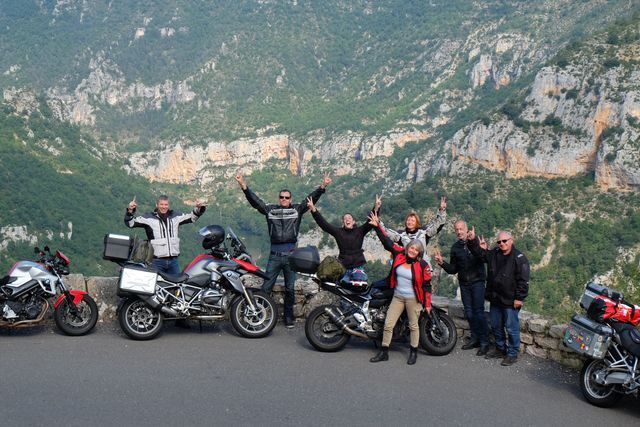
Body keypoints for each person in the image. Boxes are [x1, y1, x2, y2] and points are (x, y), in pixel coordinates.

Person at [235, 172, 331, 328]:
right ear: (278, 198)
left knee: (290, 289)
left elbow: (310, 199)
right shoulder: (270, 210)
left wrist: (323, 186)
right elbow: (255, 201)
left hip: (291, 257)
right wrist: (243, 185)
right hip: (274, 256)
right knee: (266, 287)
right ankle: (260, 315)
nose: (284, 199)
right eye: (282, 197)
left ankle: (288, 317)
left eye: (287, 197)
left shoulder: (297, 210)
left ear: (290, 199)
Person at [368, 211, 432, 365]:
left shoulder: (422, 265)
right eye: (411, 248)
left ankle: (413, 352)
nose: (412, 251)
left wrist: (427, 304)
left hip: (413, 299)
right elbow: (388, 242)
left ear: (419, 253)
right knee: (388, 324)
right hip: (397, 297)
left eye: (416, 250)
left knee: (413, 326)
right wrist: (377, 227)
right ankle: (384, 352)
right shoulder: (400, 254)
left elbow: (426, 285)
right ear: (407, 247)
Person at [468, 228, 530, 366]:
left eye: (504, 241)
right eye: (499, 242)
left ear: (511, 241)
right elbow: (480, 254)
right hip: (496, 298)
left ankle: (513, 353)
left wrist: (519, 298)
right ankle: (500, 349)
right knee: (496, 326)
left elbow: (523, 280)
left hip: (510, 300)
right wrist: (472, 241)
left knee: (511, 328)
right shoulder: (494, 254)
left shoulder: (519, 258)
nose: (501, 244)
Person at [434, 220, 489, 356]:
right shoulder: (455, 248)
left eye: (461, 229)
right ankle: (475, 338)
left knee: (479, 312)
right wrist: (442, 263)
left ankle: (484, 342)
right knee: (469, 313)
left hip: (477, 282)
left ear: (466, 229)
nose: (459, 232)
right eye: (456, 230)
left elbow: (484, 259)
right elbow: (453, 269)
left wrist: (479, 246)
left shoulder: (476, 242)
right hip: (464, 284)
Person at [306, 195, 381, 285]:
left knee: (358, 288)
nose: (347, 219)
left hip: (358, 267)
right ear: (343, 222)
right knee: (342, 290)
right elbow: (324, 224)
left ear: (353, 222)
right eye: (345, 219)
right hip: (343, 268)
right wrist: (314, 210)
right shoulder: (338, 232)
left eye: (349, 218)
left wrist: (376, 207)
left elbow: (371, 221)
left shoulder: (360, 231)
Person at [124, 195, 206, 275]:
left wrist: (199, 208)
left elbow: (192, 217)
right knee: (155, 285)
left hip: (173, 261)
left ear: (168, 205)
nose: (164, 207)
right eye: (161, 204)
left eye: (166, 204)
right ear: (157, 205)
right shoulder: (148, 218)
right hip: (156, 261)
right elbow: (130, 223)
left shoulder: (175, 216)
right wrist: (130, 211)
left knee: (175, 285)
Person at [379, 196, 447, 263]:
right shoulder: (401, 234)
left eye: (412, 221)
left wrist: (442, 210)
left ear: (416, 222)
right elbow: (387, 232)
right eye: (408, 220)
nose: (410, 222)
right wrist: (378, 222)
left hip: (423, 265)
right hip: (408, 266)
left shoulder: (424, 232)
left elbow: (437, 225)